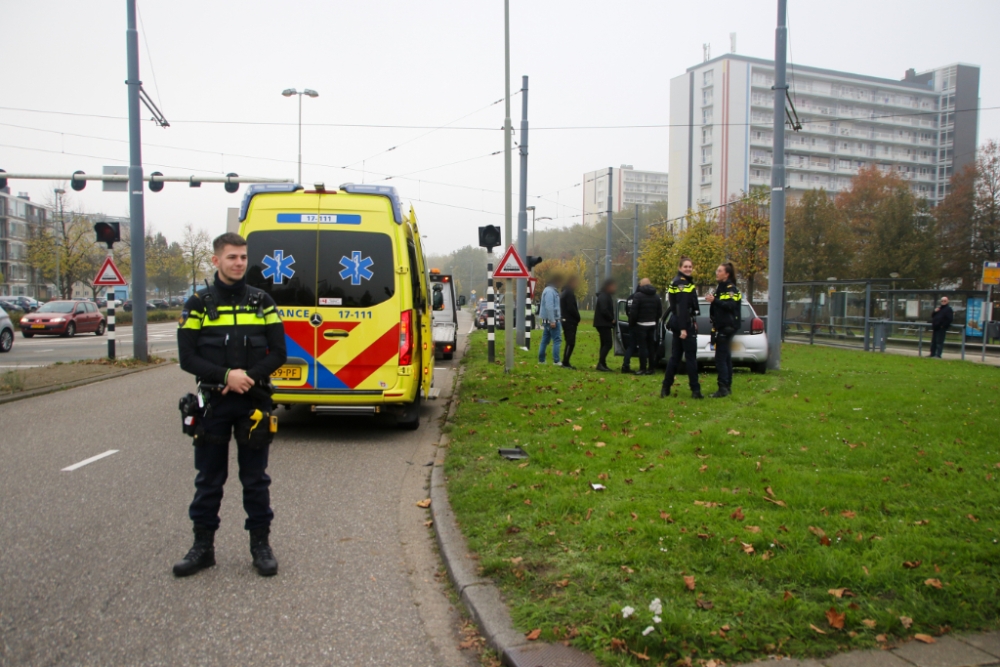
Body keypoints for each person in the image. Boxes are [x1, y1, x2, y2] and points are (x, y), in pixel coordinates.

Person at [174, 233, 287, 578]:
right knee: (209, 479)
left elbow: (279, 353)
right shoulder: (197, 303)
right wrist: (226, 376)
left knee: (255, 480)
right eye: (231, 257)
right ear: (216, 261)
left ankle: (261, 547)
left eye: (242, 257)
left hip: (252, 403)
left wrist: (245, 378)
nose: (238, 263)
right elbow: (187, 357)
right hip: (214, 406)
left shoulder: (262, 301)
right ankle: (202, 549)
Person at [661, 257, 703, 399]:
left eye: (690, 266)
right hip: (683, 323)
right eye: (685, 266)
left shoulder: (678, 281)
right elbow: (682, 307)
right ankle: (695, 390)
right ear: (680, 268)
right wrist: (684, 328)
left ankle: (665, 388)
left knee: (675, 357)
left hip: (678, 322)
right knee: (690, 358)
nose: (688, 269)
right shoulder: (682, 283)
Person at [705, 262, 741, 398]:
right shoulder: (721, 288)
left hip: (727, 327)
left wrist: (715, 301)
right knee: (725, 357)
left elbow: (731, 306)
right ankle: (727, 386)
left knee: (720, 358)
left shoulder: (731, 289)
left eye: (719, 271)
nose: (717, 272)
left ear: (727, 274)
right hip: (722, 326)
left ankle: (723, 388)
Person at [628, 278, 662, 375]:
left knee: (643, 348)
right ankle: (651, 368)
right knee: (651, 347)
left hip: (641, 325)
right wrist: (654, 320)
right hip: (652, 324)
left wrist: (632, 324)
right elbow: (659, 312)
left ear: (641, 285)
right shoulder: (656, 296)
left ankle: (642, 368)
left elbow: (633, 312)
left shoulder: (638, 296)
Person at [538, 274, 563, 365]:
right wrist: (552, 320)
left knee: (545, 340)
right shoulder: (550, 291)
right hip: (552, 320)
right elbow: (549, 306)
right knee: (557, 340)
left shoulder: (548, 290)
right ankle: (556, 360)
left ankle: (541, 360)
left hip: (547, 320)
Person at [593, 279, 617, 372]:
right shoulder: (604, 296)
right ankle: (601, 363)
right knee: (608, 344)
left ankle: (602, 363)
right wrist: (611, 319)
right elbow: (604, 310)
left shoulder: (604, 295)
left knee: (604, 344)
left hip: (602, 323)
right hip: (603, 323)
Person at [560, 275, 581, 369]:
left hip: (565, 319)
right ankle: (565, 362)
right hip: (570, 320)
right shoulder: (569, 293)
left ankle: (565, 361)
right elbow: (571, 307)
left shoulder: (564, 292)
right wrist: (577, 317)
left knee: (569, 341)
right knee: (570, 342)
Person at [620, 284, 640, 373]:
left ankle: (625, 364)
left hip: (631, 324)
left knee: (631, 346)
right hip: (640, 325)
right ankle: (645, 366)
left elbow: (627, 312)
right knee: (644, 346)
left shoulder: (630, 297)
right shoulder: (641, 298)